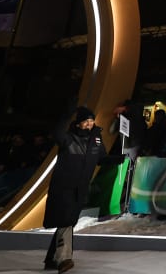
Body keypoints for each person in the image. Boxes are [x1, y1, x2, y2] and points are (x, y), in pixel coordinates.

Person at [43, 106, 123, 273]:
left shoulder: (96, 139)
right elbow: (57, 133)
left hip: (81, 188)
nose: (89, 124)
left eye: (91, 120)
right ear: (78, 123)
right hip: (63, 186)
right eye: (86, 121)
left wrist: (119, 158)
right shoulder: (69, 139)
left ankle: (51, 259)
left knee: (69, 221)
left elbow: (101, 158)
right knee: (66, 220)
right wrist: (66, 114)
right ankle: (64, 258)